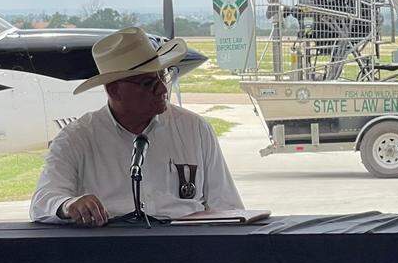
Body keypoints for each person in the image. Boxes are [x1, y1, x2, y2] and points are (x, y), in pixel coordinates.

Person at [30, 27, 243, 225]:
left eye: (164, 75)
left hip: (186, 251)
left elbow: (227, 207)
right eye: (148, 83)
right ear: (114, 91)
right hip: (110, 251)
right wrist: (69, 205)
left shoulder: (195, 129)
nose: (162, 89)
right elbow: (43, 202)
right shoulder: (77, 138)